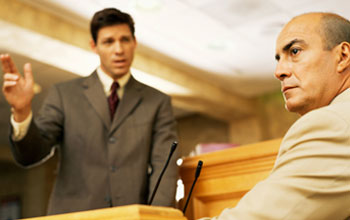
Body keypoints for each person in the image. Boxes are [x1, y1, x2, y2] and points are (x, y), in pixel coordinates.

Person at [1, 8, 178, 215]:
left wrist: (157, 217)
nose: (119, 49)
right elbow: (31, 154)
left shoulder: (158, 102)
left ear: (135, 43)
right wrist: (21, 112)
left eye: (125, 40)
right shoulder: (63, 95)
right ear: (94, 46)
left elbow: (164, 167)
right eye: (108, 42)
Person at [203, 12, 350, 220]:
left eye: (295, 51)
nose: (279, 71)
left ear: (343, 56)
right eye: (279, 58)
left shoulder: (334, 124)